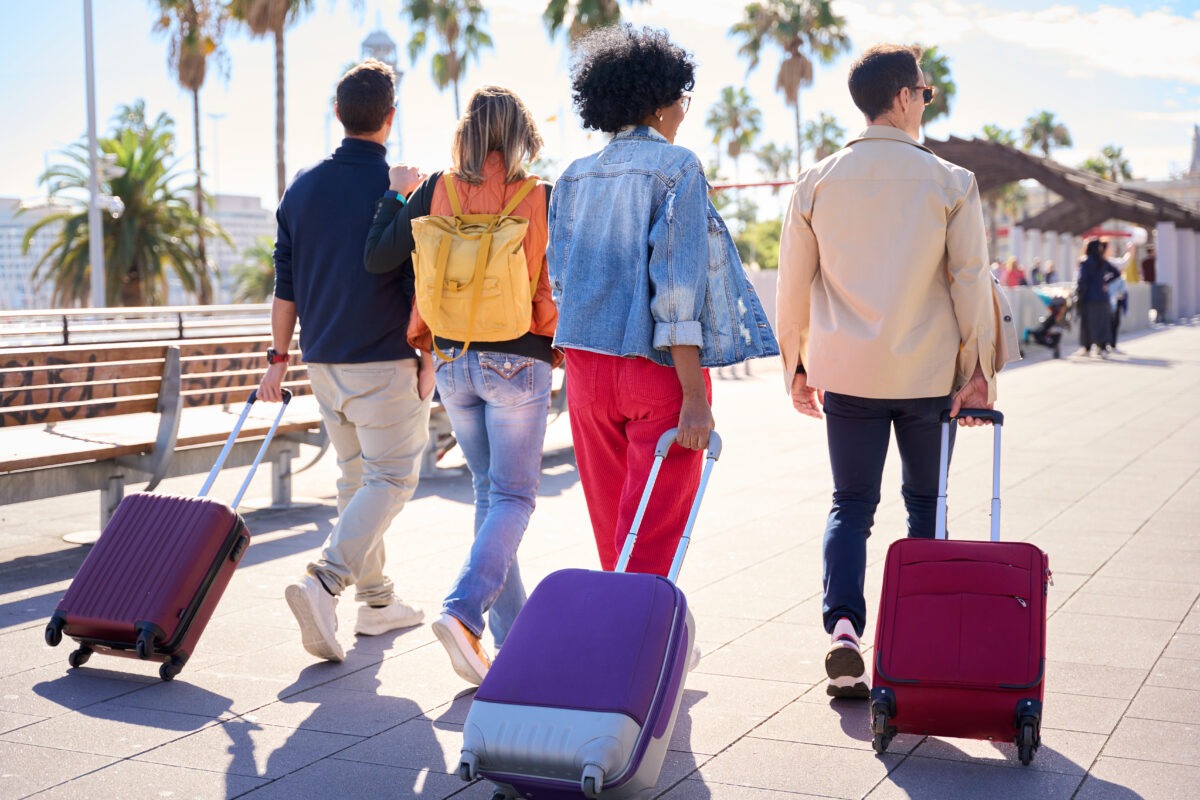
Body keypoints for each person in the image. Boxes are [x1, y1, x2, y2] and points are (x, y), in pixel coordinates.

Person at [776, 44, 1011, 699]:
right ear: (906, 96)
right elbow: (970, 281)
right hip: (931, 378)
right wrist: (979, 368)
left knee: (850, 506)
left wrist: (795, 365)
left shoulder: (816, 180)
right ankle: (920, 640)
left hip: (847, 375)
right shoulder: (950, 181)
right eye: (925, 95)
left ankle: (845, 630)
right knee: (926, 507)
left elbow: (793, 287)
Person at [548, 25, 778, 582]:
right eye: (682, 98)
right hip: (656, 370)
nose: (684, 110)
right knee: (651, 535)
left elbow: (560, 280)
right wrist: (695, 396)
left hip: (585, 367)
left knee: (614, 532)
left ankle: (624, 635)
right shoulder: (677, 168)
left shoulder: (573, 177)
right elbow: (677, 292)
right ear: (659, 102)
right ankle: (639, 648)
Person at [363, 85, 556, 686]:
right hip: (518, 360)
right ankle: (463, 612)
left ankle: (512, 641)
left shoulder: (435, 190)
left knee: (488, 494)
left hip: (452, 360)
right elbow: (552, 278)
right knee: (515, 498)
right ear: (520, 134)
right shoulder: (537, 194)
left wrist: (394, 193)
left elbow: (380, 257)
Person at [260, 59, 433, 663]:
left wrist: (278, 360)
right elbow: (423, 282)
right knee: (391, 479)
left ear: (338, 114)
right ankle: (327, 580)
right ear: (390, 116)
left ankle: (379, 601)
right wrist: (430, 355)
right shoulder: (405, 187)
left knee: (358, 479)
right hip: (385, 360)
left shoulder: (301, 188)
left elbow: (285, 286)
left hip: (323, 363)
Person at [1076, 238, 1120, 356]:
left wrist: (1079, 292)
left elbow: (1081, 280)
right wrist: (1105, 281)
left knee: (1088, 323)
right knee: (1102, 323)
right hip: (1102, 297)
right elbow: (1117, 273)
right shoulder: (1102, 261)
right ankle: (1103, 347)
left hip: (1089, 298)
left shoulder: (1085, 262)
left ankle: (1087, 347)